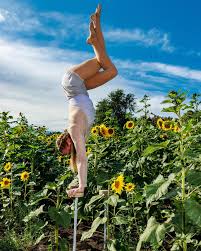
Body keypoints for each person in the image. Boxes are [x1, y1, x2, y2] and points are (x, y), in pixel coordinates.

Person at [56, 4, 118, 197]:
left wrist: (81, 187)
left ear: (66, 143)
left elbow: (82, 159)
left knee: (102, 61)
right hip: (81, 88)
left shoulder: (74, 128)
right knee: (111, 70)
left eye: (66, 151)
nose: (70, 152)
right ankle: (95, 30)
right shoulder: (80, 132)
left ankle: (95, 33)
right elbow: (80, 157)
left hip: (73, 83)